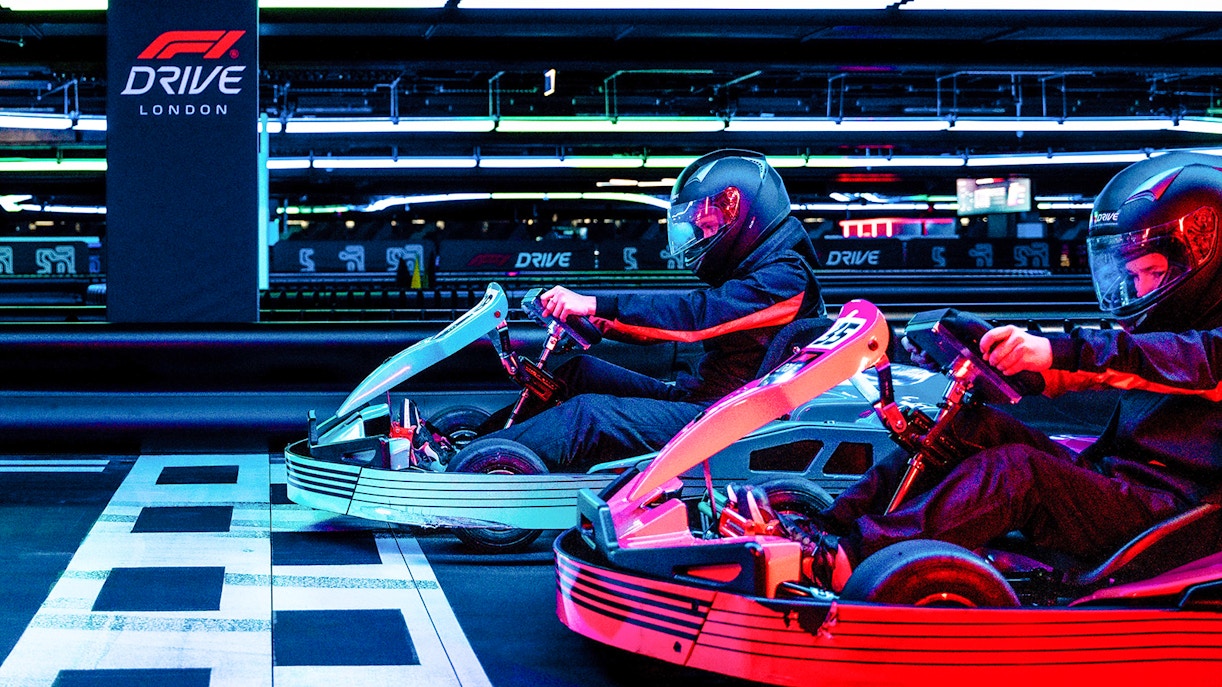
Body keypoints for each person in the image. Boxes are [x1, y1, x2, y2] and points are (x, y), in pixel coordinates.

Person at [746, 152, 1222, 592]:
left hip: (1173, 513)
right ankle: (820, 528)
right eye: (1133, 275)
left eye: (1153, 272)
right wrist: (992, 359)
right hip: (1119, 484)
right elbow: (1093, 372)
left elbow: (1161, 361)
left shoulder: (1194, 348)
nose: (1139, 289)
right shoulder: (1167, 335)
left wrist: (1053, 350)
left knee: (1017, 472)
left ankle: (847, 559)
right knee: (972, 427)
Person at [455, 149, 828, 472]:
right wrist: (595, 317)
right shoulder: (763, 271)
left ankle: (471, 472)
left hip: (728, 421)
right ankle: (474, 447)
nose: (702, 233)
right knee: (579, 373)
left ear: (746, 212)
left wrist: (595, 306)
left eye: (708, 224)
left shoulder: (786, 278)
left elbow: (696, 319)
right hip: (703, 401)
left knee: (587, 416)